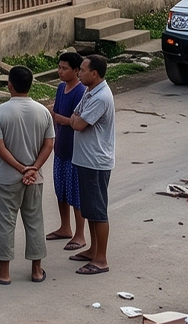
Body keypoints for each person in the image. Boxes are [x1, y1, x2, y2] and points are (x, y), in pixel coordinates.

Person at [0, 65, 53, 285]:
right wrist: (33, 168)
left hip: (7, 179)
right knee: (34, 222)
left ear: (10, 85)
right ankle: (37, 270)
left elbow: (0, 147)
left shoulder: (0, 112)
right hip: (35, 179)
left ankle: (4, 273)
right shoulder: (42, 111)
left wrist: (20, 167)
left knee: (5, 224)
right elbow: (49, 143)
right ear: (31, 85)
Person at [67, 54, 114, 275]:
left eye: (83, 70)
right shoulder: (89, 91)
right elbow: (74, 116)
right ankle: (93, 250)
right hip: (85, 160)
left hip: (95, 161)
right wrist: (76, 119)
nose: (79, 73)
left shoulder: (100, 97)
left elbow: (77, 123)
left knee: (97, 210)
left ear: (94, 73)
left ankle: (101, 259)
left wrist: (76, 119)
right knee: (89, 209)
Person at [46, 51, 88, 252]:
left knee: (76, 194)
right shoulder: (61, 88)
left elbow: (75, 121)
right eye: (59, 67)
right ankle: (65, 227)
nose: (60, 72)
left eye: (64, 68)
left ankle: (80, 234)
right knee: (61, 191)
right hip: (60, 148)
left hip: (75, 152)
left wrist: (57, 117)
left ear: (77, 70)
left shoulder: (80, 92)